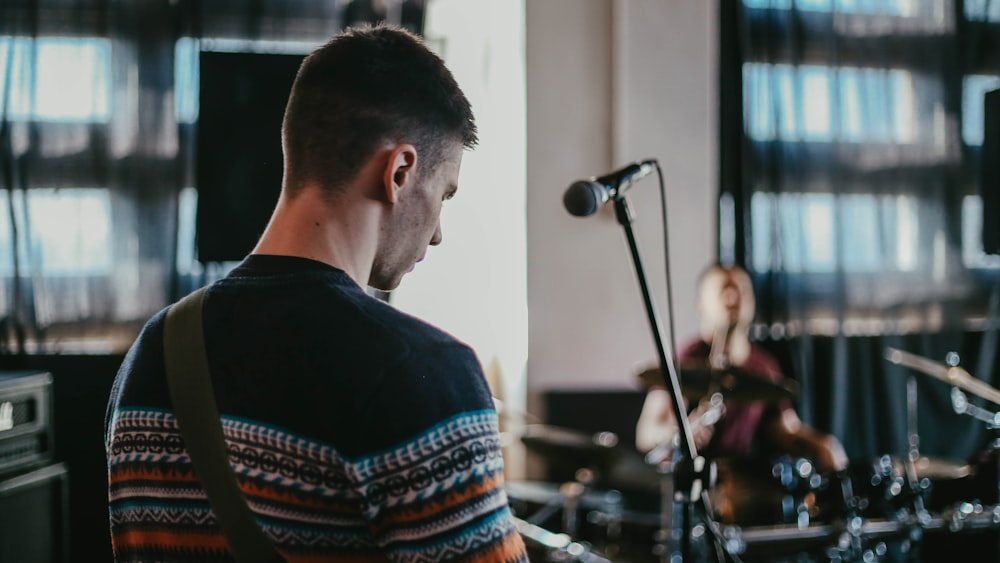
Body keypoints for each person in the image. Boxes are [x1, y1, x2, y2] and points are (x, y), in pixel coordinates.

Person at [105, 24, 527, 562]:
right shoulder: (425, 369)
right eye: (444, 194)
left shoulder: (154, 352)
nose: (438, 231)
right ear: (399, 171)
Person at [634, 263, 848, 525]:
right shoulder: (686, 360)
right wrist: (681, 434)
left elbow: (785, 430)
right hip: (692, 494)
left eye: (741, 290)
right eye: (724, 289)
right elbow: (646, 434)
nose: (733, 298)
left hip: (745, 489)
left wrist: (823, 444)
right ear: (700, 304)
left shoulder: (763, 365)